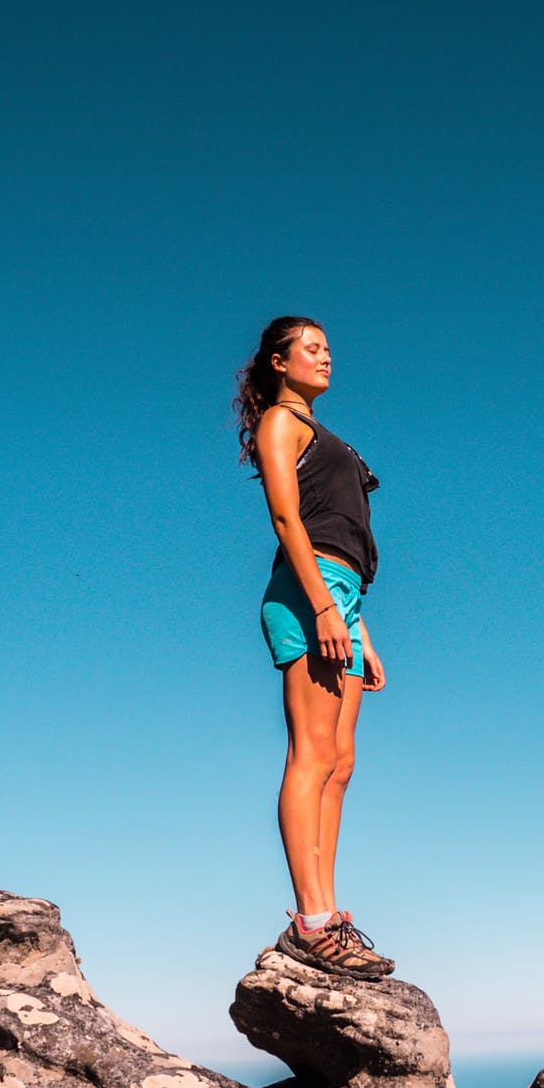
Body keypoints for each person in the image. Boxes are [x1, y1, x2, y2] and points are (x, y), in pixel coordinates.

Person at [236, 316, 394, 977]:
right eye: (311, 348)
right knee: (312, 752)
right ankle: (311, 923)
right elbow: (286, 517)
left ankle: (331, 913)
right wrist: (326, 607)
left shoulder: (332, 437)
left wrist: (359, 629)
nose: (325, 356)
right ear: (278, 361)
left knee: (341, 762)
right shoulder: (282, 422)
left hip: (343, 596)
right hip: (311, 589)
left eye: (329, 347)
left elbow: (347, 532)